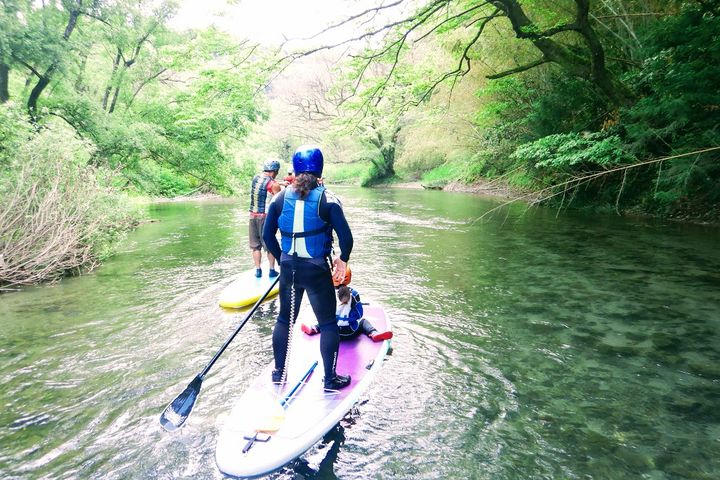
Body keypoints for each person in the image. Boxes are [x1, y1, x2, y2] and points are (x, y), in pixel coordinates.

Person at [262, 145, 353, 391]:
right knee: (327, 324)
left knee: (284, 319)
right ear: (319, 170)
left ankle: (279, 373)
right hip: (315, 271)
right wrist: (342, 260)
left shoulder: (280, 199)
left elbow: (267, 235)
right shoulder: (328, 200)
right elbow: (346, 239)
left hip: (289, 269)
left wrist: (282, 258)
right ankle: (330, 379)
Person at [301, 267, 393, 342]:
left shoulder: (328, 292)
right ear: (349, 278)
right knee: (363, 321)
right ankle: (373, 333)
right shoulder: (354, 294)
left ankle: (314, 328)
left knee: (326, 320)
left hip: (333, 333)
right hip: (350, 332)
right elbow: (359, 314)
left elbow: (323, 312)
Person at [249, 159, 282, 278]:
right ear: (274, 171)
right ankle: (272, 270)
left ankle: (258, 270)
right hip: (265, 217)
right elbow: (279, 201)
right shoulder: (274, 185)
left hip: (252, 215)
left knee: (255, 245)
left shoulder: (256, 178)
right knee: (269, 245)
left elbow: (265, 183)